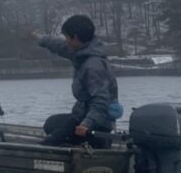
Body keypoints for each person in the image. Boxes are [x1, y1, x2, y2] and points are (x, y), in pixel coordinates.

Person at [34, 15, 120, 147]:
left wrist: (86, 124)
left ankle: (96, 142)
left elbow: (101, 101)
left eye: (67, 37)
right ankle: (76, 141)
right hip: (81, 114)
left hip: (96, 123)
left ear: (75, 37)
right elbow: (61, 47)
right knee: (50, 124)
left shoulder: (93, 66)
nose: (66, 41)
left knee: (49, 144)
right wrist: (42, 39)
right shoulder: (83, 50)